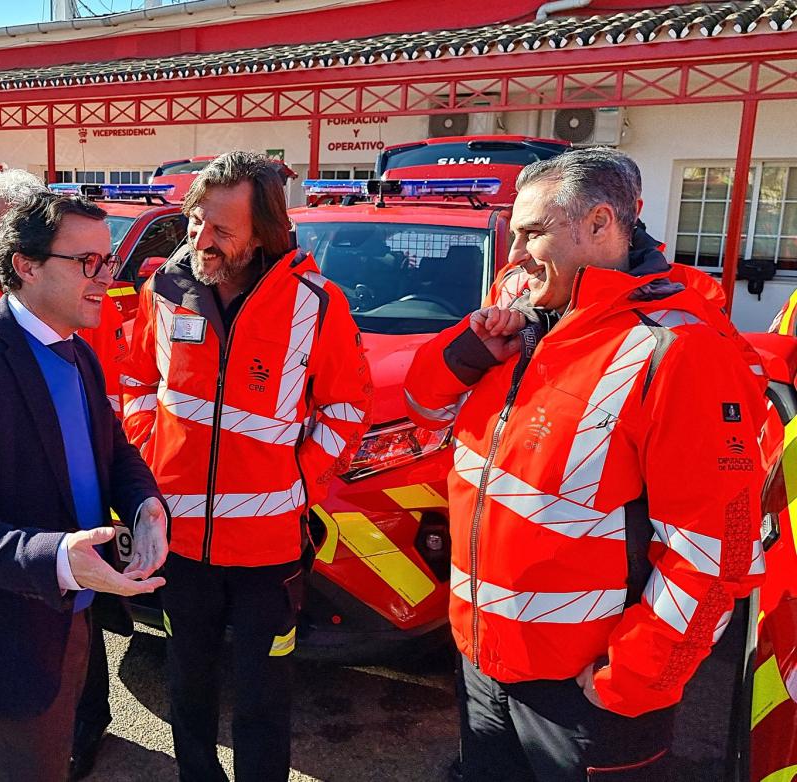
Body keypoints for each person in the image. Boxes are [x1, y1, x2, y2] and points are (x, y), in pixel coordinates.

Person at [404, 147, 767, 781]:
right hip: (483, 661)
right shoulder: (521, 310)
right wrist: (470, 348)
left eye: (532, 232)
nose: (513, 253)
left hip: (587, 693)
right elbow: (422, 408)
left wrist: (630, 680)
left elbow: (716, 550)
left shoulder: (679, 348)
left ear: (600, 225)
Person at [119, 151, 373, 781]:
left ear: (263, 232)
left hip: (267, 551)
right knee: (188, 691)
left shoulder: (316, 303)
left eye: (221, 231)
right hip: (178, 545)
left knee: (263, 700)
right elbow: (132, 381)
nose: (201, 240)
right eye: (195, 222)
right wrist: (150, 452)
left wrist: (296, 482)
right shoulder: (167, 289)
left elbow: (346, 408)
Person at [0, 191, 169, 782]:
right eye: (87, 263)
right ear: (25, 265)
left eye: (108, 260)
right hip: (7, 636)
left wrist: (144, 503)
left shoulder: (79, 350)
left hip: (73, 615)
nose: (106, 277)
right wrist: (55, 557)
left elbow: (112, 447)